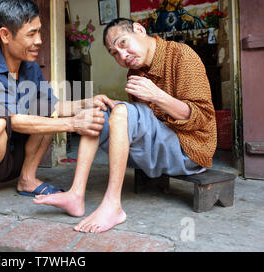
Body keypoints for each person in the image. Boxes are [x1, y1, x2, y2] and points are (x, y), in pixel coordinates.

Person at [34, 18, 217, 233]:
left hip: (189, 151)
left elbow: (203, 117)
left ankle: (113, 206)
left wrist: (158, 96)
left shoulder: (181, 55)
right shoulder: (135, 72)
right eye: (114, 53)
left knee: (121, 111)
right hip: (155, 153)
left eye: (123, 43)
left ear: (139, 29)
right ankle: (76, 194)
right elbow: (140, 125)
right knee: (96, 113)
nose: (122, 56)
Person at [0, 0, 116, 221]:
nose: (39, 40)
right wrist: (72, 124)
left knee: (47, 108)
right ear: (5, 35)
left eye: (39, 31)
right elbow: (12, 119)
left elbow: (54, 105)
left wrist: (86, 103)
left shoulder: (30, 67)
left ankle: (27, 179)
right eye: (31, 33)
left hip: (13, 158)